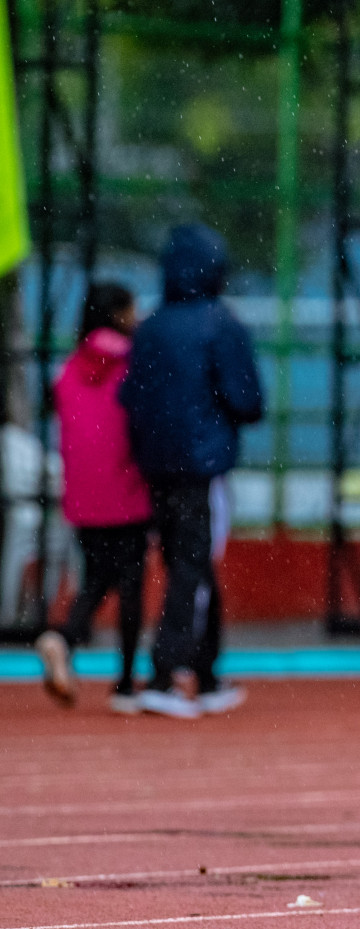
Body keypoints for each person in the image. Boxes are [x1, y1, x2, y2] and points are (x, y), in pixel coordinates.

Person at [121, 224, 264, 720]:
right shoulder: (219, 325)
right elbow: (248, 399)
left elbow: (131, 398)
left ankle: (204, 674)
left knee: (189, 564)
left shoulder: (152, 326)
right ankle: (166, 674)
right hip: (201, 465)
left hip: (155, 465)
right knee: (192, 567)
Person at [35, 283, 152, 715]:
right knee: (131, 585)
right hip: (127, 488)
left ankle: (63, 638)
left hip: (83, 495)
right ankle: (124, 682)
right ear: (120, 314)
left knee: (99, 576)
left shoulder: (67, 370)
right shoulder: (134, 363)